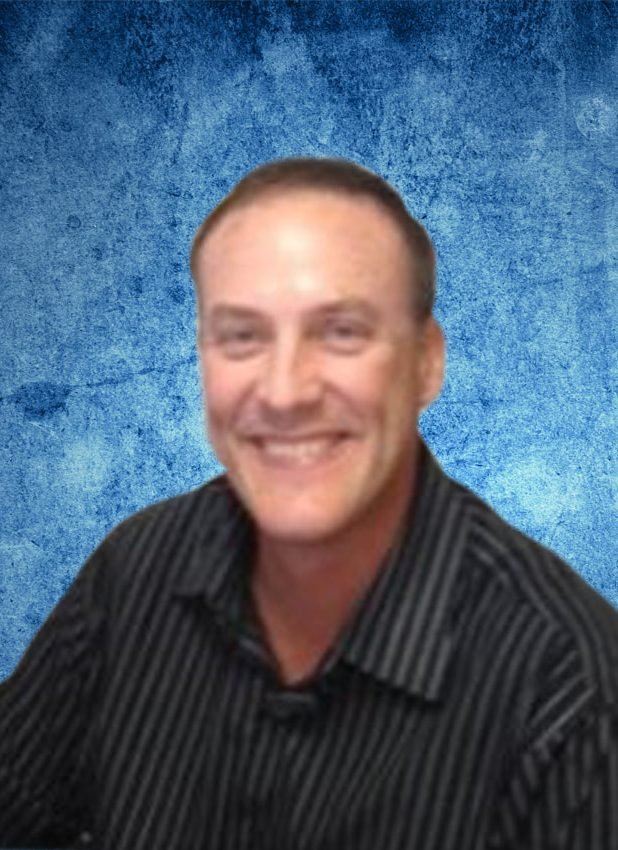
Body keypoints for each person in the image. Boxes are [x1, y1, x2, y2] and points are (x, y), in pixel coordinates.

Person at [0, 157, 616, 850]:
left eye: (341, 332)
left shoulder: (573, 694)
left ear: (426, 363)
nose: (285, 392)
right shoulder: (135, 570)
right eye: (242, 336)